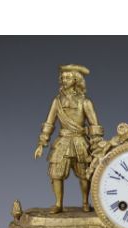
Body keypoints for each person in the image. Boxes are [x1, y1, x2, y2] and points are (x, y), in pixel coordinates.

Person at [34, 64, 103, 214]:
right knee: (55, 173)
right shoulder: (57, 102)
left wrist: (97, 146)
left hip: (80, 142)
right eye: (63, 78)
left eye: (68, 77)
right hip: (63, 141)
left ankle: (85, 202)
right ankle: (58, 204)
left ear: (76, 80)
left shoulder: (85, 102)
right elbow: (49, 123)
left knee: (85, 175)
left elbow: (94, 125)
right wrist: (42, 143)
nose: (64, 80)